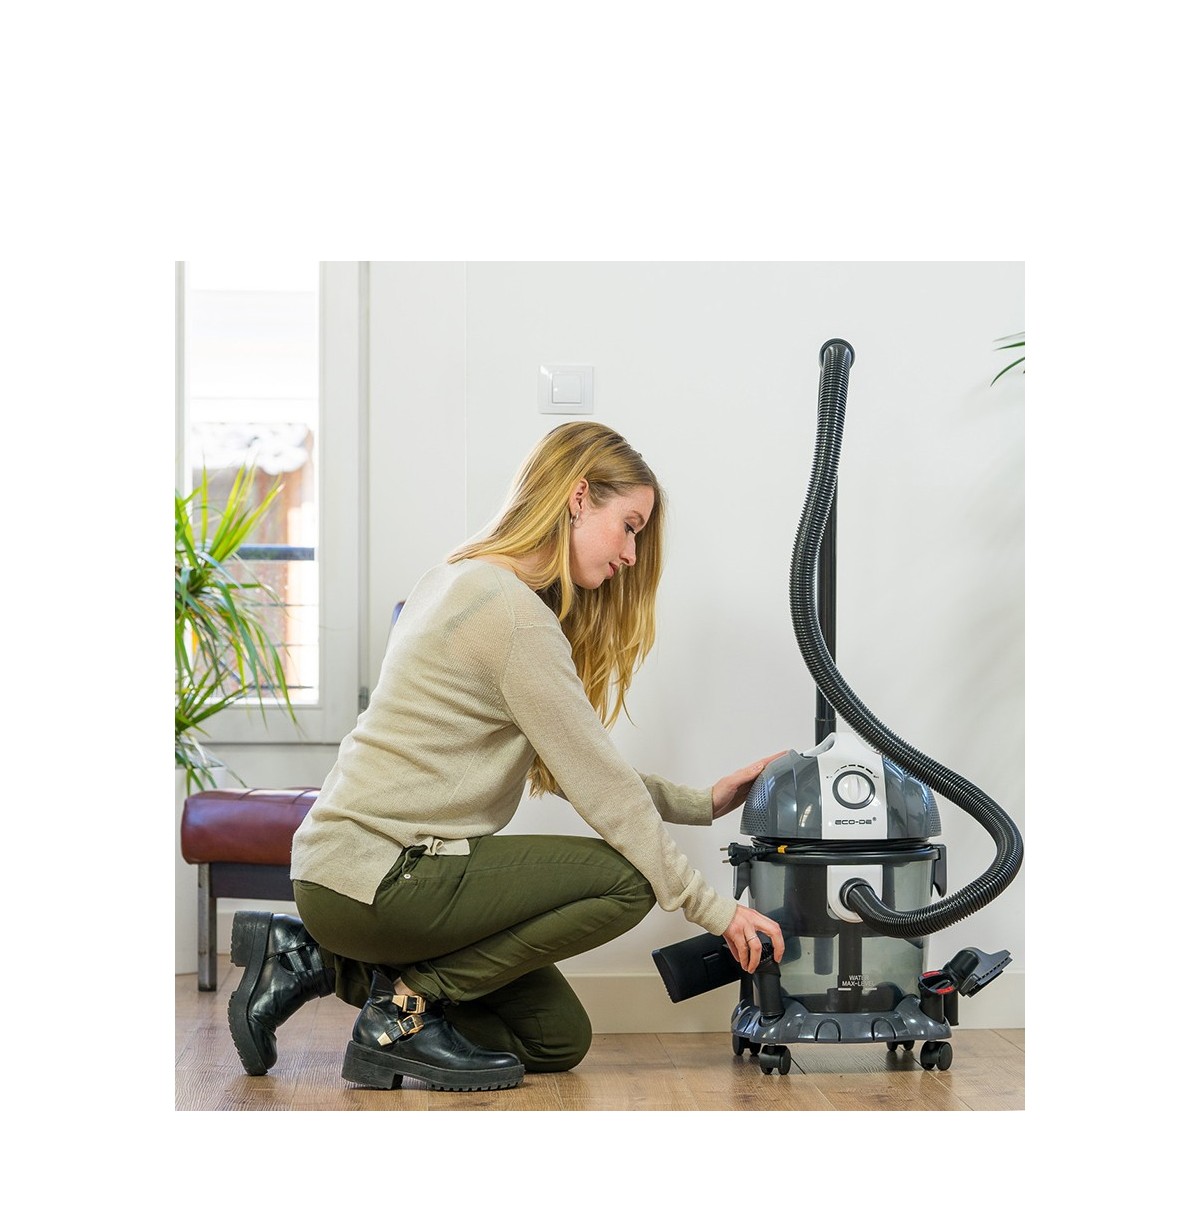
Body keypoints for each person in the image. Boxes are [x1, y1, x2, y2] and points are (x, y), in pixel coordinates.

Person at [227, 421, 784, 1091]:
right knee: (630, 880)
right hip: (384, 872)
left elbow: (576, 766)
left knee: (553, 1038)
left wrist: (702, 803)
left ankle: (313, 960)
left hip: (345, 876)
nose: (632, 554)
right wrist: (716, 911)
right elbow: (603, 789)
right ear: (579, 497)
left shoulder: (459, 578)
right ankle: (402, 1010)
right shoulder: (512, 615)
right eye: (629, 526)